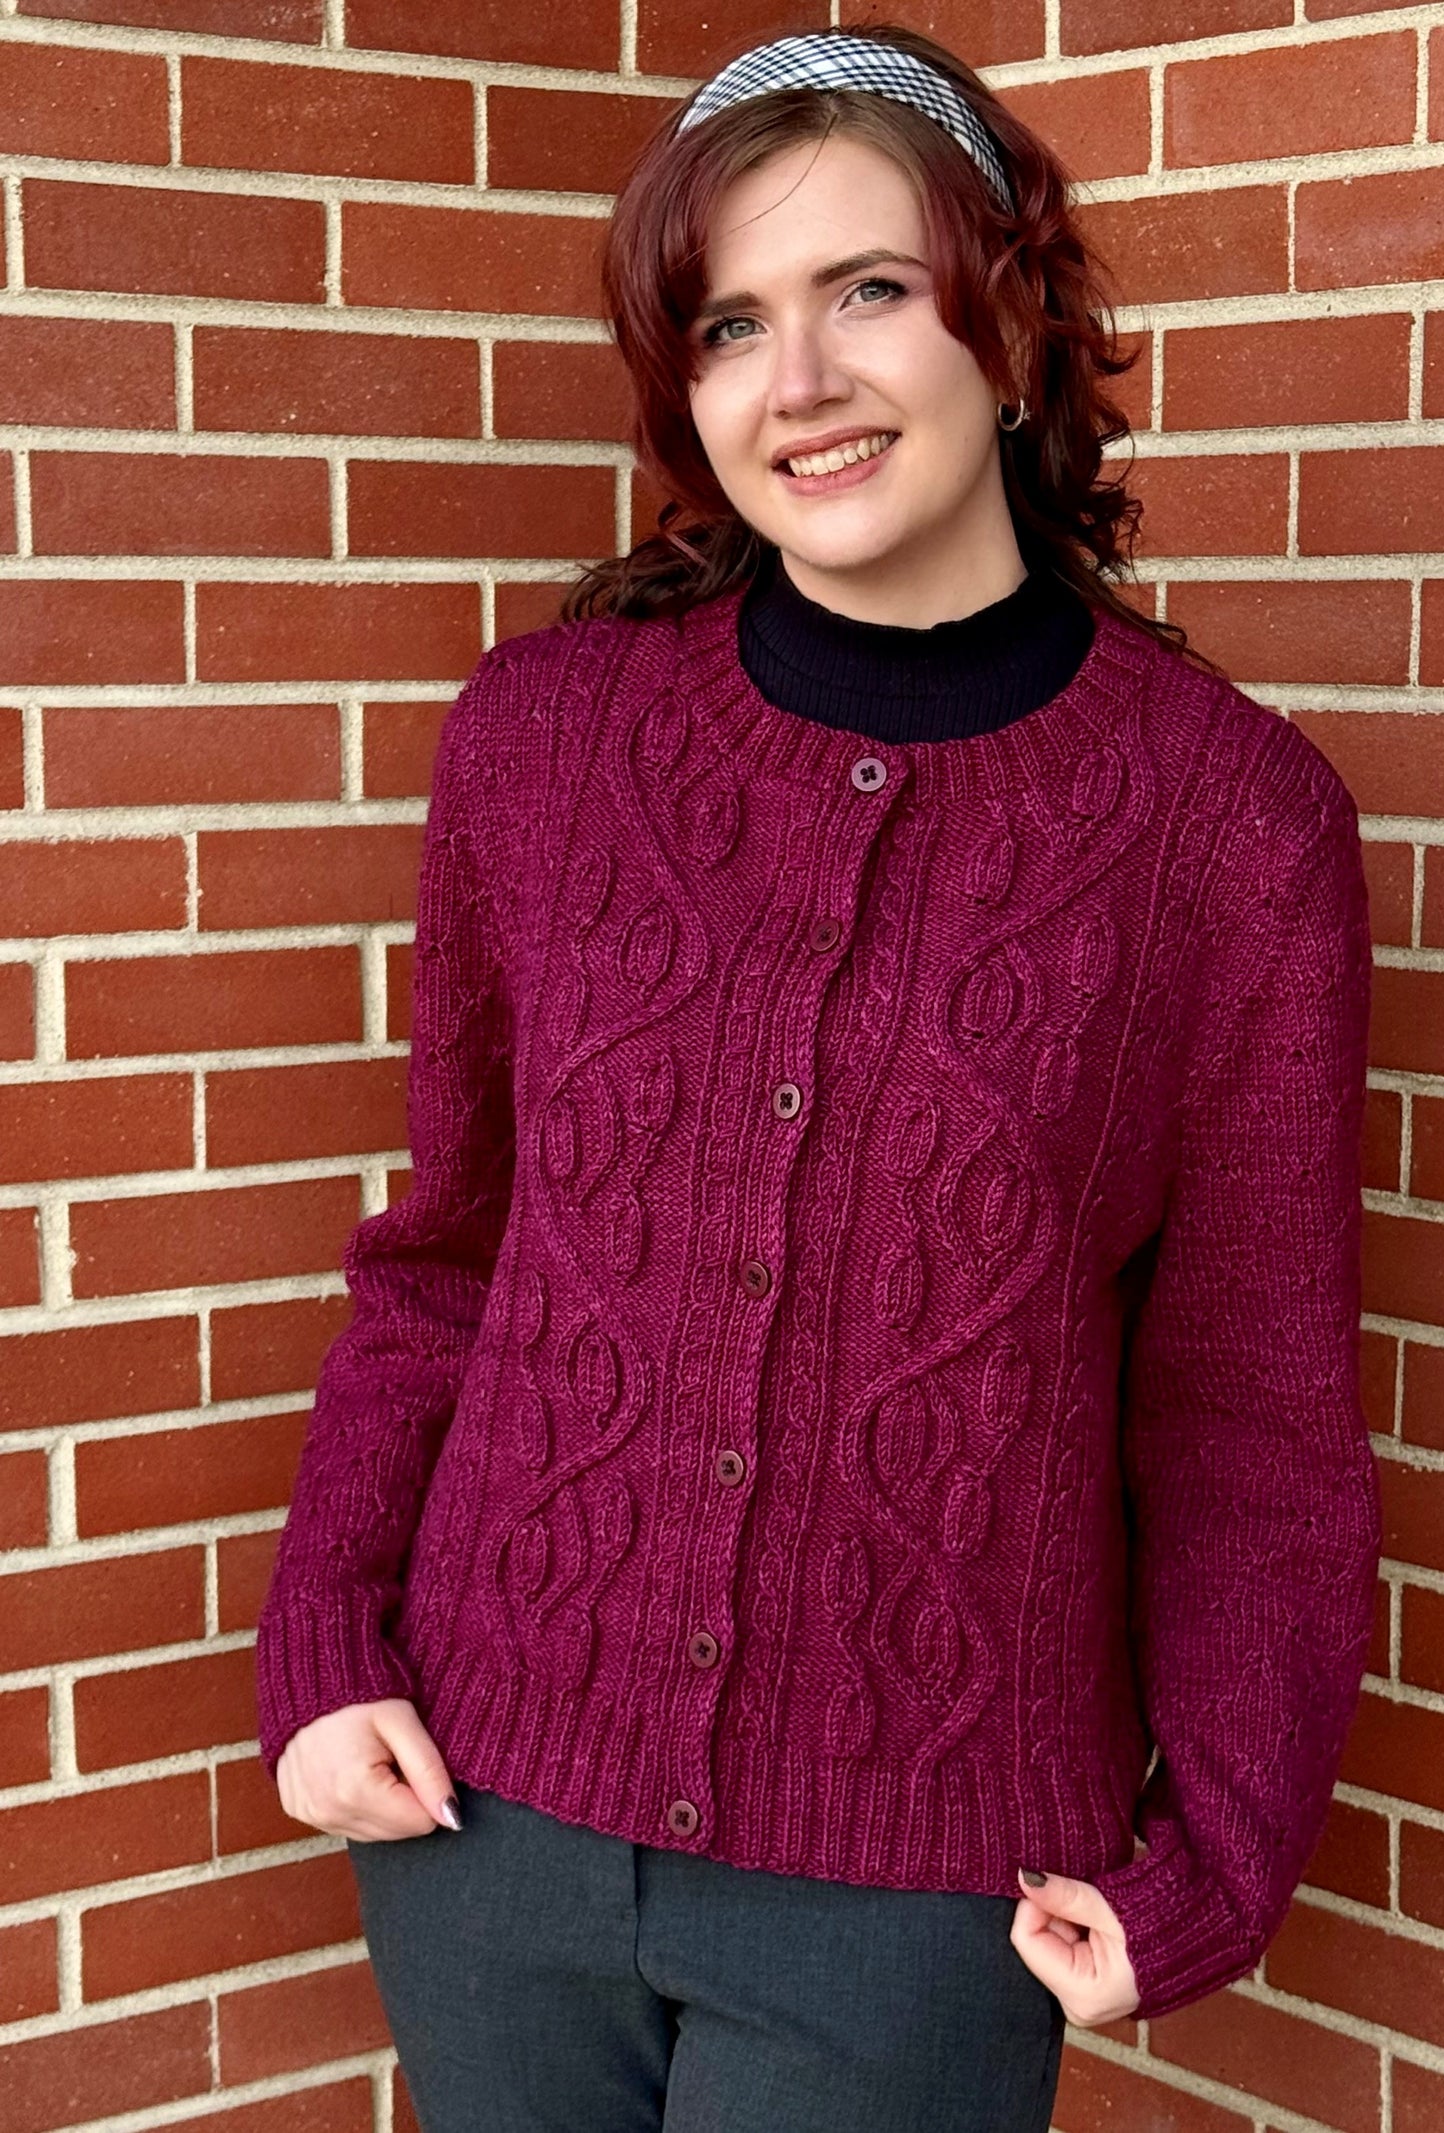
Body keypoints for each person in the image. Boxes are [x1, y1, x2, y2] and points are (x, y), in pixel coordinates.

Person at [254, 22, 1381, 2132]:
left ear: (1007, 322)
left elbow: (1249, 1410)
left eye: (867, 288)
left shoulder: (1230, 829)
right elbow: (450, 1254)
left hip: (924, 1886)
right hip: (480, 1816)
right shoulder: (541, 742)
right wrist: (324, 1635)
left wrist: (1217, 1846)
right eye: (727, 323)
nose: (798, 381)